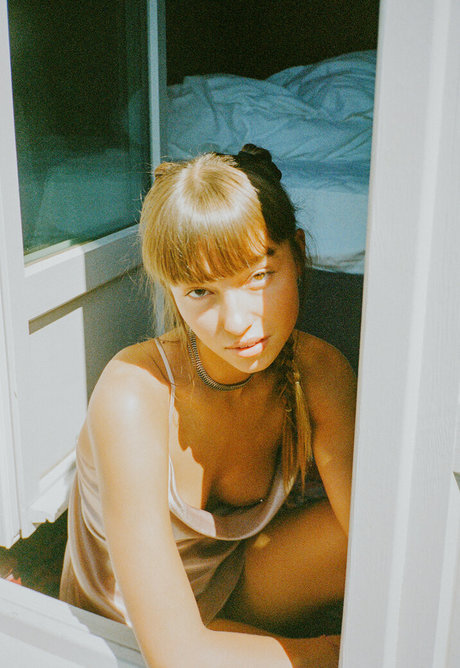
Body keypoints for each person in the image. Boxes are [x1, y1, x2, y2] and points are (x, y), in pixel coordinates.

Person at [60, 144, 356, 667]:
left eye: (259, 276)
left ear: (298, 253)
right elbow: (175, 654)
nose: (237, 322)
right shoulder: (133, 395)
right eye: (201, 291)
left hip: (229, 585)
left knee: (380, 537)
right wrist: (333, 654)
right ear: (171, 291)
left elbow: (383, 543)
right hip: (131, 631)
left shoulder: (317, 371)